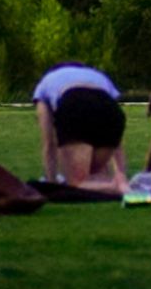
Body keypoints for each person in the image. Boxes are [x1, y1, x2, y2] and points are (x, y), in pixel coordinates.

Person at [33, 61, 128, 192]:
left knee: (76, 184)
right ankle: (120, 184)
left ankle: (114, 186)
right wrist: (121, 173)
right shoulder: (98, 76)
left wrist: (52, 182)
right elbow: (118, 144)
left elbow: (49, 142)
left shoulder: (45, 83)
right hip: (110, 110)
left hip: (74, 104)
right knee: (95, 174)